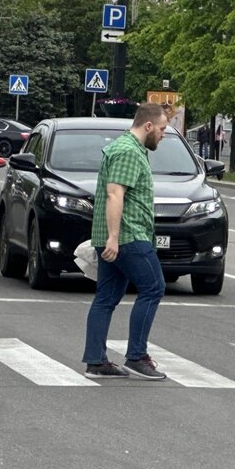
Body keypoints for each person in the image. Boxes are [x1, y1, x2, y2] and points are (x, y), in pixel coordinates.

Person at [82, 103, 169, 380]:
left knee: (106, 298)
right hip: (129, 236)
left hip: (120, 236)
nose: (164, 135)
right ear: (148, 126)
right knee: (154, 287)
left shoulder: (126, 147)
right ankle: (136, 356)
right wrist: (114, 238)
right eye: (163, 129)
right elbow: (114, 194)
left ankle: (96, 361)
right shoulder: (129, 151)